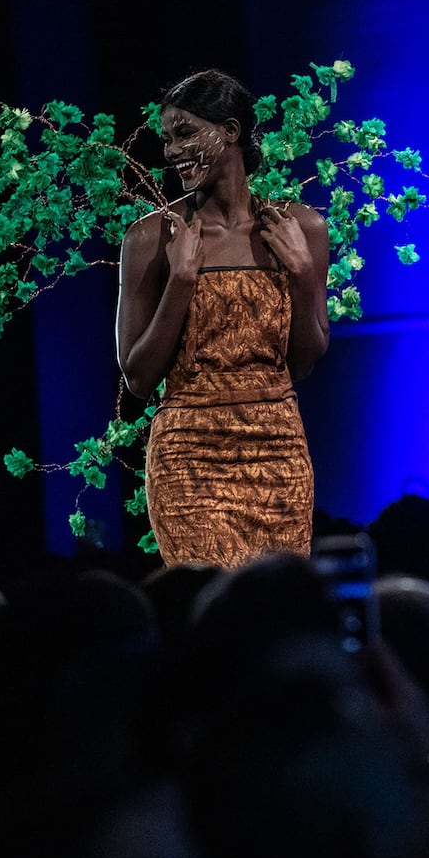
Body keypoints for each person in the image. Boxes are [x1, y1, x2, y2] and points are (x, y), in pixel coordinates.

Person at [117, 69, 329, 569]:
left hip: (278, 451)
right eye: (167, 138)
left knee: (278, 609)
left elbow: (306, 360)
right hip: (188, 458)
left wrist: (299, 273)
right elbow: (139, 377)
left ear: (231, 131)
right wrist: (181, 281)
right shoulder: (151, 239)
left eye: (186, 132)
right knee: (209, 615)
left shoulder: (300, 229)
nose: (171, 150)